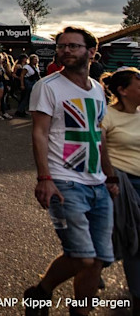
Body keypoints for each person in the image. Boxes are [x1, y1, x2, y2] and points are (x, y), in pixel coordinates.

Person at [25, 27, 118, 316]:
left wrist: (110, 175)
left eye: (74, 46)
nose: (65, 51)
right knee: (83, 257)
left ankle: (72, 309)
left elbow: (99, 135)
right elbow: (39, 134)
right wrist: (44, 178)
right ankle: (41, 292)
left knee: (100, 259)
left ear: (91, 52)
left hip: (98, 184)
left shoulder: (98, 89)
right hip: (64, 181)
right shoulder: (48, 86)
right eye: (62, 46)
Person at [99, 67, 140, 310]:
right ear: (123, 91)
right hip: (121, 187)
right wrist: (111, 178)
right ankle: (90, 268)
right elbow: (98, 151)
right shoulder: (106, 116)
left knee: (135, 243)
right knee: (122, 240)